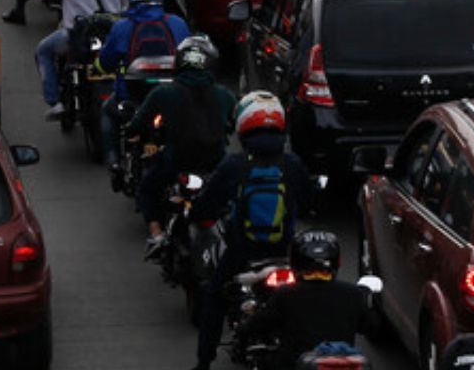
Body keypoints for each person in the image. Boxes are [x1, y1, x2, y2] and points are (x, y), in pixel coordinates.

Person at [189, 92, 321, 370]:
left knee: (214, 297)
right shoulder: (291, 163)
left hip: (242, 253)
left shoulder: (235, 164)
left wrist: (199, 212)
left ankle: (204, 361)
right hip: (284, 252)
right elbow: (310, 201)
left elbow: (207, 203)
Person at [128, 35, 235, 250]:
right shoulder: (225, 94)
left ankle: (156, 234)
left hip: (176, 161)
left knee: (146, 190)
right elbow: (234, 123)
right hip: (216, 162)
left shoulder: (164, 93)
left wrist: (134, 131)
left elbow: (136, 124)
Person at [95, 0, 192, 169]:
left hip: (131, 99)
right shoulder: (177, 23)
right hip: (174, 97)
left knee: (107, 112)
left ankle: (113, 162)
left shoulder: (122, 27)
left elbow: (105, 62)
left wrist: (99, 67)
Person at [239, 230, 374, 370]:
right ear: (336, 262)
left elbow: (257, 325)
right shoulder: (353, 293)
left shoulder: (285, 294)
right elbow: (371, 326)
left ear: (295, 262)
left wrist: (242, 333)